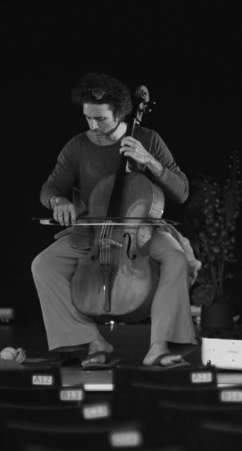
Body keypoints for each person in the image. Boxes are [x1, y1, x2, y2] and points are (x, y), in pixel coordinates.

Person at [31, 73, 195, 368]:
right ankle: (93, 341)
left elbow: (181, 192)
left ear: (119, 114)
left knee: (176, 259)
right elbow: (50, 188)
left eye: (100, 119)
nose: (93, 126)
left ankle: (159, 347)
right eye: (87, 118)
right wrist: (58, 201)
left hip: (142, 231)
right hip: (94, 232)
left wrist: (150, 161)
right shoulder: (77, 146)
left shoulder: (148, 139)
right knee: (44, 264)